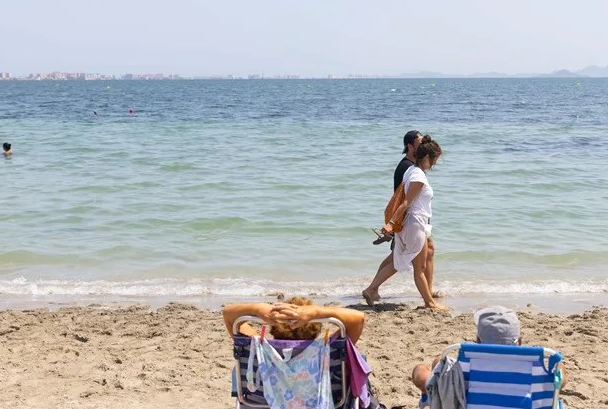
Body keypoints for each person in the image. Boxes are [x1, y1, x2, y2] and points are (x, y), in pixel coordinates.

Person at [363, 134, 446, 310]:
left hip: (412, 223)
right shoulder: (418, 177)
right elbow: (405, 202)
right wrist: (391, 224)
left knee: (399, 260)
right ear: (426, 157)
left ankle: (371, 289)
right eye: (434, 160)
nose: (435, 164)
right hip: (414, 223)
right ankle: (429, 302)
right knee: (418, 267)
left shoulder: (411, 171)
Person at [411, 306, 521, 393]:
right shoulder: (533, 371)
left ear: (477, 341)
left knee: (436, 363)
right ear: (519, 342)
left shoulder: (465, 371)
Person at [223, 296, 365, 344]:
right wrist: (315, 312)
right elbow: (358, 318)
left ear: (275, 326)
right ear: (316, 328)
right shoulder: (327, 351)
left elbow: (228, 313)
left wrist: (257, 309)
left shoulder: (259, 351)